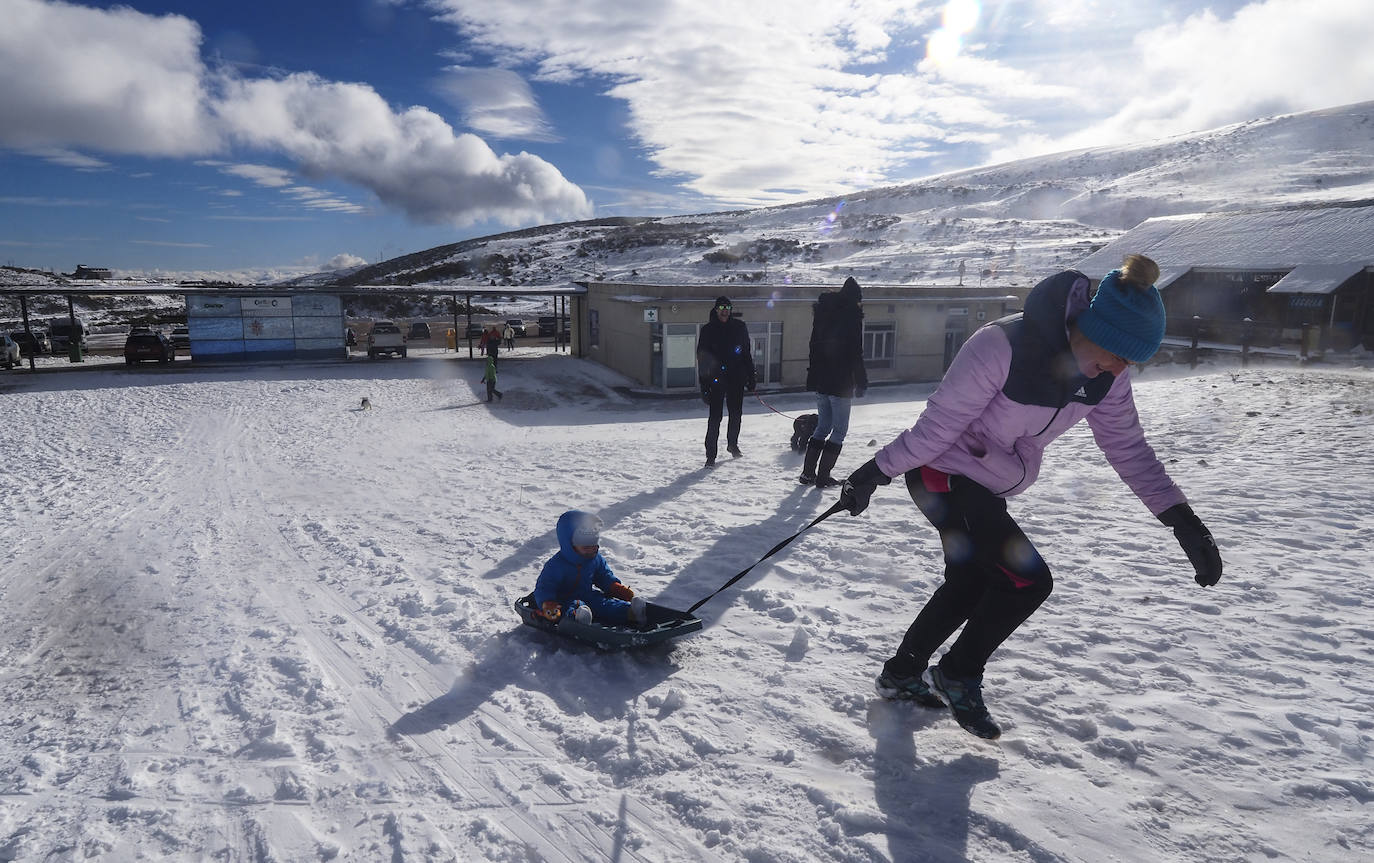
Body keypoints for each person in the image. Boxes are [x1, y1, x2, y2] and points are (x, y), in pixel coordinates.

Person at [839, 254, 1223, 740]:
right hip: (942, 474)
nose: (1124, 368)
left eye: (1131, 360)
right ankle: (957, 672)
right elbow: (935, 430)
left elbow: (1127, 448)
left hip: (986, 483)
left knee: (971, 582)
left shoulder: (1105, 379)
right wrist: (875, 472)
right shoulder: (1002, 347)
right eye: (1122, 354)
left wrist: (1180, 517)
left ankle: (901, 675)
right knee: (1026, 581)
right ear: (1098, 330)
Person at [800, 276, 868, 487]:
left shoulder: (822, 314)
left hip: (822, 379)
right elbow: (855, 352)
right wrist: (861, 380)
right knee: (839, 431)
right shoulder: (851, 317)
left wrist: (815, 375)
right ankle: (822, 477)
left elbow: (813, 346)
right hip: (840, 382)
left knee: (822, 427)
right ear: (854, 299)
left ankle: (808, 474)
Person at [533, 511, 647, 626]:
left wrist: (615, 587)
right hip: (562, 601)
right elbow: (544, 587)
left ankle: (631, 612)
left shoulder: (595, 559)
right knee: (573, 606)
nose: (592, 549)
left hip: (587, 594)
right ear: (569, 544)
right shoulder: (556, 565)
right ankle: (578, 618)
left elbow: (603, 576)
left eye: (594, 545)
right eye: (586, 547)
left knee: (603, 603)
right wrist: (548, 603)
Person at [696, 296, 756, 467]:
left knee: (736, 414)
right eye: (721, 307)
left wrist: (751, 376)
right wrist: (704, 386)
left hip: (736, 377)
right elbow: (702, 359)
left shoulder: (740, 327)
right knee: (715, 418)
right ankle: (711, 455)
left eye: (727, 307)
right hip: (715, 380)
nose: (724, 311)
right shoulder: (708, 330)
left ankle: (732, 444)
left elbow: (746, 354)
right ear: (716, 310)